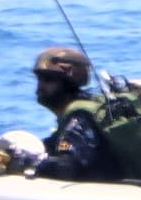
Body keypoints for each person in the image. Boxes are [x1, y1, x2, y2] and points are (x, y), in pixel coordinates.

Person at [23, 47, 123, 182]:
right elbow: (55, 145)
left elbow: (67, 166)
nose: (40, 85)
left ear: (67, 83)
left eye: (48, 79)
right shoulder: (81, 109)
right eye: (39, 78)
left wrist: (26, 162)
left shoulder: (80, 117)